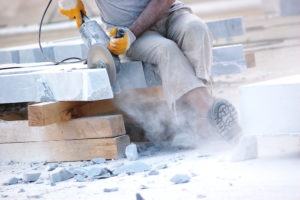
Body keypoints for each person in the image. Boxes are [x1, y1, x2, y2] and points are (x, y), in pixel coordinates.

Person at [58, 0, 239, 140]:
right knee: (166, 50)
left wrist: (131, 33)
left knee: (196, 29)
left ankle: (196, 117)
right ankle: (210, 112)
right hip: (130, 36)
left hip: (167, 16)